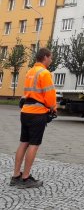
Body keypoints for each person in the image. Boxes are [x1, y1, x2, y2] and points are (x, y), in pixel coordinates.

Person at [10, 48, 56, 188]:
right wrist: (53, 108)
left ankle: (16, 176)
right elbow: (49, 96)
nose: (51, 60)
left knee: (23, 143)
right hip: (37, 113)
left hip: (25, 111)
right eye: (50, 58)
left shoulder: (30, 72)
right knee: (33, 145)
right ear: (45, 57)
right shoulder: (44, 73)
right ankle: (26, 178)